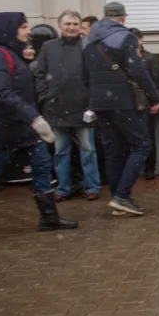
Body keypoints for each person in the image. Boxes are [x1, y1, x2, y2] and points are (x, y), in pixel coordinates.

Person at [0, 12, 78, 245]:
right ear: (9, 29)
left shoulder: (14, 53)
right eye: (24, 27)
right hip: (2, 127)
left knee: (42, 164)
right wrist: (34, 118)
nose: (28, 31)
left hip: (22, 127)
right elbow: (2, 92)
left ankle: (49, 218)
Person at [83, 2, 159, 216]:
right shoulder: (125, 37)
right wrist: (154, 96)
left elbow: (84, 75)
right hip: (123, 101)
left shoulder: (88, 40)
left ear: (104, 16)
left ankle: (118, 199)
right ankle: (122, 196)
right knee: (142, 144)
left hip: (99, 103)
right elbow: (137, 70)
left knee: (113, 150)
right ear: (124, 17)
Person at [34, 10, 101, 202]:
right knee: (60, 151)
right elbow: (40, 74)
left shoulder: (88, 46)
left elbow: (96, 77)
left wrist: (92, 105)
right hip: (55, 108)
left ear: (80, 26)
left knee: (88, 150)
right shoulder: (48, 47)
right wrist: (44, 97)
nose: (71, 27)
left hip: (83, 109)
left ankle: (92, 186)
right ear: (60, 25)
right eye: (67, 24)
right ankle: (63, 188)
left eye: (75, 24)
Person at [130, 28, 159, 180]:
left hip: (146, 105)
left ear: (141, 40)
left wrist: (157, 102)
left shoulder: (150, 58)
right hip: (129, 106)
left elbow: (157, 83)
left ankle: (149, 169)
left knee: (148, 138)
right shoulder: (125, 58)